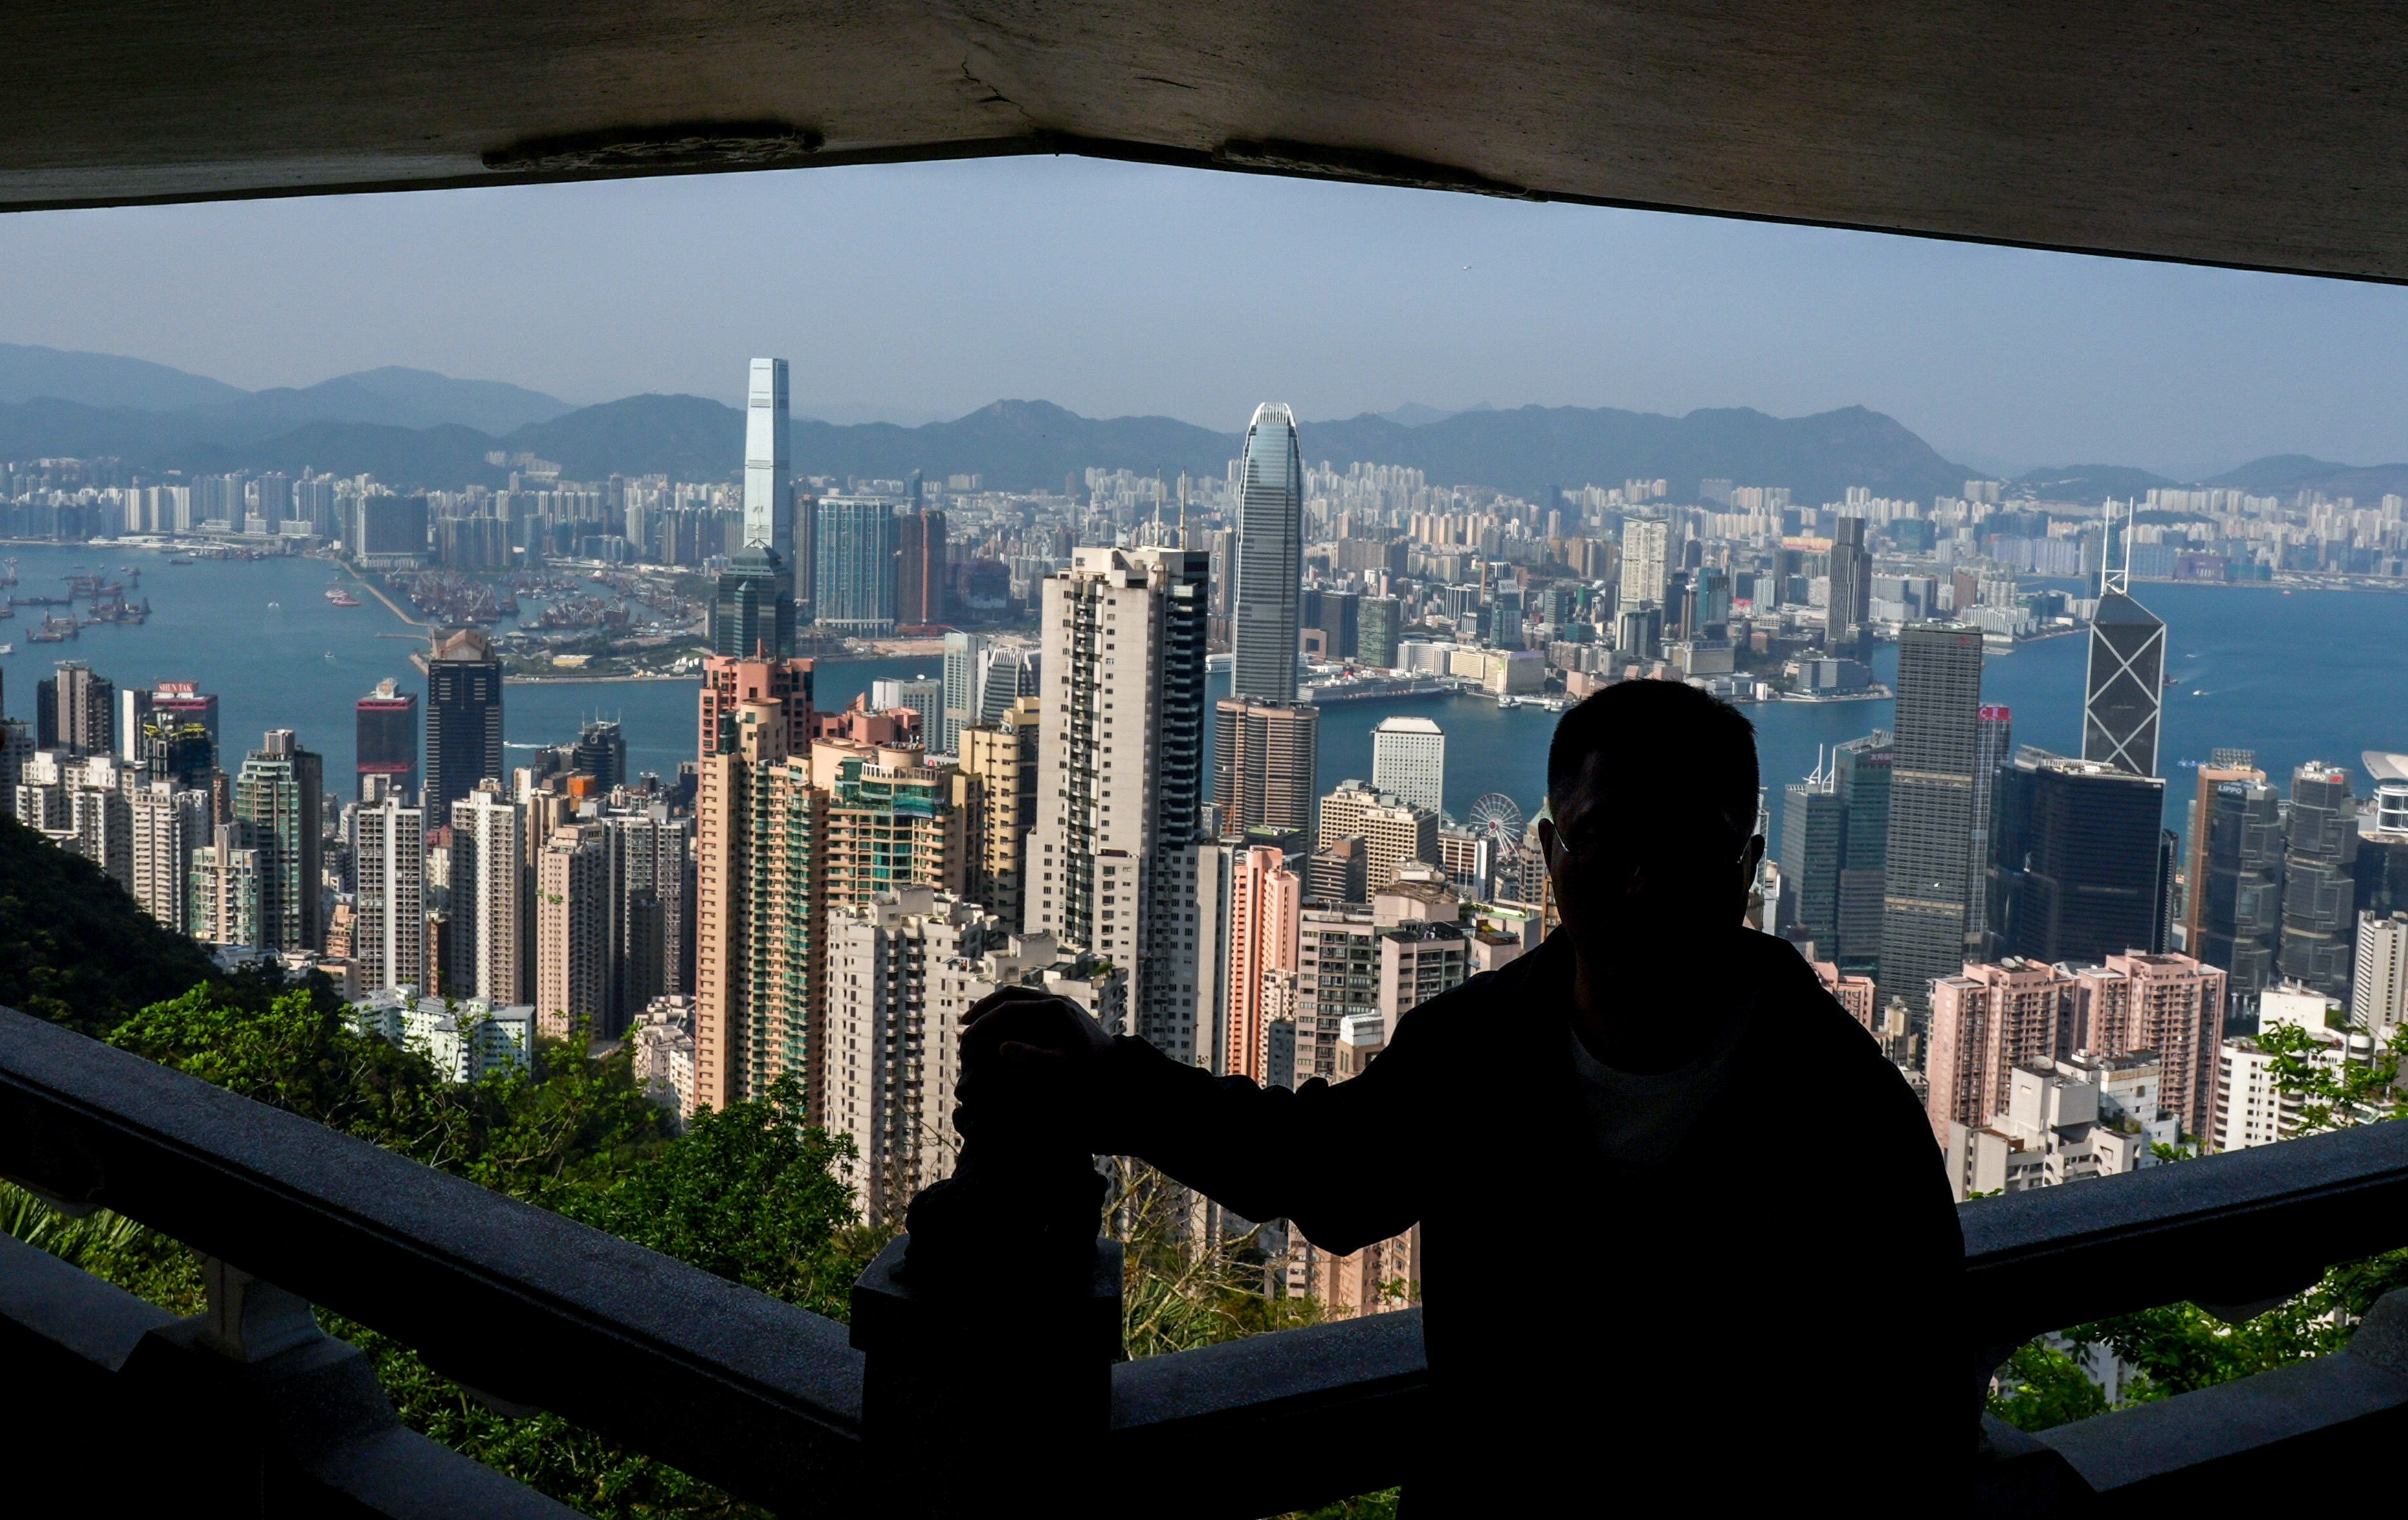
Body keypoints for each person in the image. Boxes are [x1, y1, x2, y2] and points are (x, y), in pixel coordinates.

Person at [960, 681, 1967, 1512]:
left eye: (1687, 847)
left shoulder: (1845, 1111)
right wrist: (1111, 1080)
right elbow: (1324, 1170)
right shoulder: (1477, 1046)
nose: (1640, 883)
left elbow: (1916, 1404)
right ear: (1545, 853)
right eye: (1603, 839)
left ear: (1746, 869)